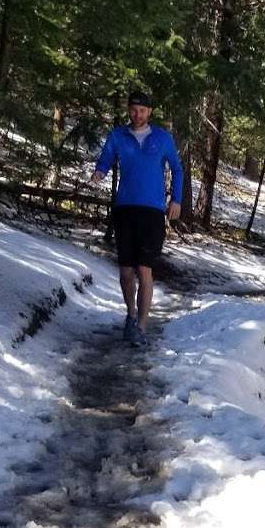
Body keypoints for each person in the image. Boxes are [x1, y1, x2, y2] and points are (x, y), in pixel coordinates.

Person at [91, 90, 183, 348]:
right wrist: (99, 173)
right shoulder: (117, 135)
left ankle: (141, 326)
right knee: (125, 271)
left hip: (152, 212)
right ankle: (130, 314)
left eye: (142, 110)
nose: (137, 114)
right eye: (133, 109)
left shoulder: (162, 138)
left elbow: (177, 168)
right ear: (129, 110)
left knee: (145, 269)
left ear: (150, 112)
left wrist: (176, 199)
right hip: (125, 208)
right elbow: (105, 160)